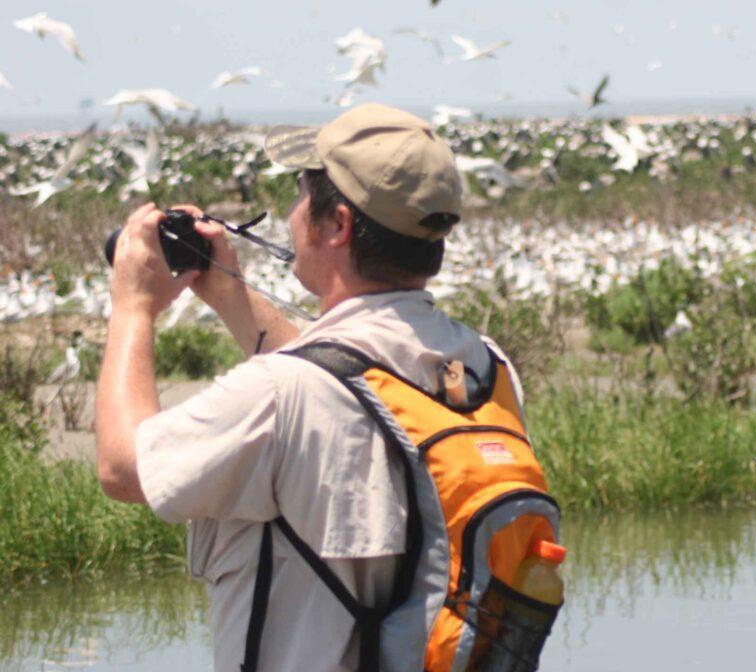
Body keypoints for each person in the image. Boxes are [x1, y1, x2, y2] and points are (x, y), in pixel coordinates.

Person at [95, 104, 538, 671]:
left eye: (302, 193)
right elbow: (352, 384)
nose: (290, 210)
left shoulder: (283, 395)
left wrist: (132, 307)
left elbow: (123, 468)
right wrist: (229, 294)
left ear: (337, 225)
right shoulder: (485, 370)